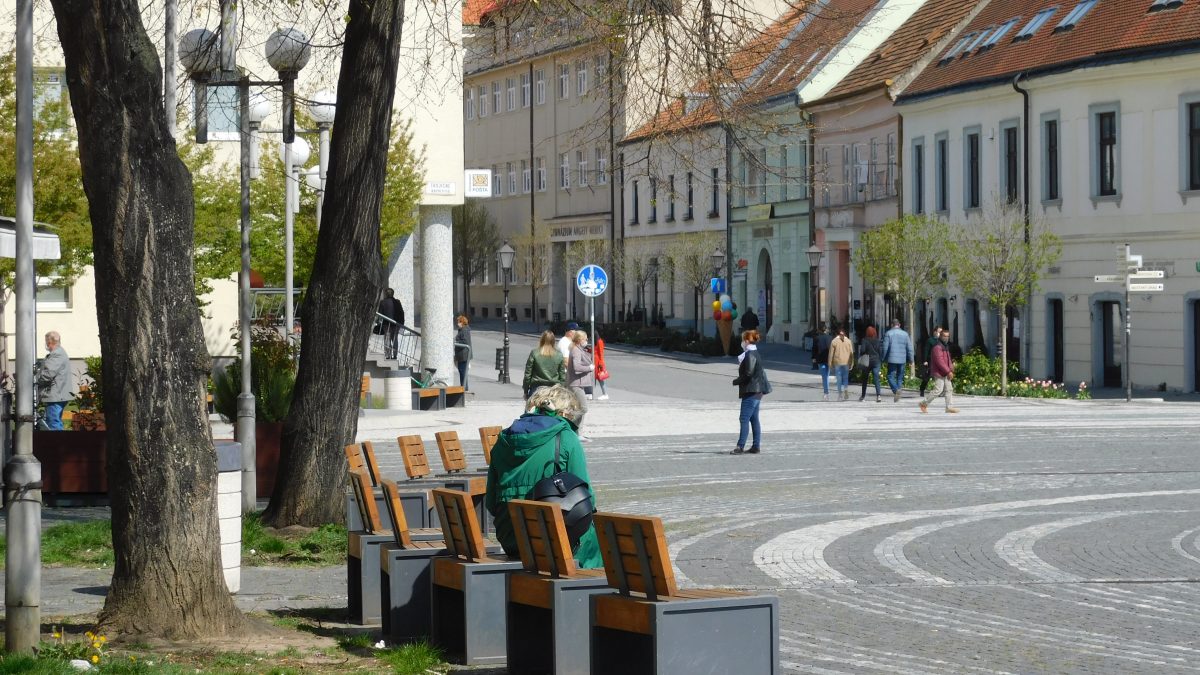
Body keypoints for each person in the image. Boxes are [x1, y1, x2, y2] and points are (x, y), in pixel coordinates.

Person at [485, 384, 602, 568]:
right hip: (552, 542)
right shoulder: (565, 438)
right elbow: (588, 501)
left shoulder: (503, 440)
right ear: (564, 412)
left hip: (511, 538)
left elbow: (491, 503)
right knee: (598, 542)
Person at [731, 329, 769, 455]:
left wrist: (737, 381)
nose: (742, 342)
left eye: (743, 340)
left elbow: (748, 373)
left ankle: (740, 446)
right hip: (757, 391)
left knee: (744, 418)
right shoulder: (755, 353)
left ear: (747, 341)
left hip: (751, 391)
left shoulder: (750, 355)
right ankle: (756, 446)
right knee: (753, 419)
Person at [38, 331, 73, 431]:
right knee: (54, 420)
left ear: (49, 342)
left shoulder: (57, 355)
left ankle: (58, 445)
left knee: (54, 423)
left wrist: (35, 378)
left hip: (56, 395)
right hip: (58, 394)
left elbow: (48, 374)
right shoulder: (59, 353)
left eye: (46, 342)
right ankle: (58, 444)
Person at [920, 329, 960, 414]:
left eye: (947, 336)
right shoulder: (937, 347)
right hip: (939, 372)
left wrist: (951, 368)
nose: (946, 338)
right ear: (940, 336)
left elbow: (948, 359)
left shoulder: (945, 346)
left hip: (945, 371)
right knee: (938, 390)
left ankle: (949, 407)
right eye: (944, 336)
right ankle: (923, 403)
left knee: (949, 389)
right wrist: (948, 371)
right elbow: (939, 361)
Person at [566, 330, 594, 441]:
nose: (586, 341)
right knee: (583, 408)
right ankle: (566, 421)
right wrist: (589, 368)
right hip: (576, 384)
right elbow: (576, 367)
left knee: (580, 408)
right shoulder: (575, 350)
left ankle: (578, 433)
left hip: (578, 384)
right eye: (585, 339)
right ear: (579, 340)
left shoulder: (577, 349)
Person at [522, 330, 566, 399]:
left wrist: (525, 390)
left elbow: (528, 374)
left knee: (531, 409)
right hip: (553, 389)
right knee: (553, 409)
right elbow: (562, 376)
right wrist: (562, 389)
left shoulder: (534, 353)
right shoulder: (559, 355)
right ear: (553, 341)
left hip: (536, 388)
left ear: (541, 340)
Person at [881, 318, 914, 402]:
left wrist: (883, 358)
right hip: (902, 359)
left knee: (890, 376)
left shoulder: (888, 333)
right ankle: (898, 390)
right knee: (900, 377)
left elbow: (885, 348)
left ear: (892, 325)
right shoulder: (905, 334)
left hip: (892, 359)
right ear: (899, 325)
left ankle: (896, 391)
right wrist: (911, 359)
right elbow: (910, 348)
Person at [377, 288, 405, 359]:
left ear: (387, 294)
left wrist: (378, 322)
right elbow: (402, 313)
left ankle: (388, 355)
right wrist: (401, 323)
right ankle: (395, 355)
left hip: (387, 324)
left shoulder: (383, 302)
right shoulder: (397, 302)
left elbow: (380, 314)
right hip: (396, 324)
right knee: (395, 339)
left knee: (387, 339)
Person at [858, 325, 883, 402]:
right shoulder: (878, 341)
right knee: (876, 378)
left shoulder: (864, 340)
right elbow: (880, 352)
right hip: (876, 361)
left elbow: (862, 350)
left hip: (867, 361)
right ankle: (878, 396)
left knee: (865, 379)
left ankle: (863, 396)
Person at [828, 326, 854, 401]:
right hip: (846, 362)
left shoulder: (834, 341)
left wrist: (830, 363)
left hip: (837, 362)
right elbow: (851, 353)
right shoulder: (848, 341)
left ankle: (840, 395)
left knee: (839, 379)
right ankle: (845, 388)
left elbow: (831, 354)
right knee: (845, 378)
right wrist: (852, 363)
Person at [919, 327, 942, 397]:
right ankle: (922, 389)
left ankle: (939, 391)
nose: (940, 334)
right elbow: (926, 350)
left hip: (939, 361)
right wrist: (925, 360)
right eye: (939, 332)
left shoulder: (941, 341)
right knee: (928, 376)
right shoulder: (930, 340)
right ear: (935, 332)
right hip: (931, 360)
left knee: (940, 376)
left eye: (941, 332)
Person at [813, 325, 832, 401]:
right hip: (828, 359)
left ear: (820, 330)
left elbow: (814, 349)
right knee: (827, 376)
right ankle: (826, 393)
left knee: (824, 377)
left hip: (820, 359)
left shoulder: (817, 338)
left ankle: (826, 394)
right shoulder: (830, 338)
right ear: (826, 330)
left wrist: (813, 358)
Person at [453, 315, 472, 390]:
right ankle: (463, 387)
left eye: (459, 322)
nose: (457, 323)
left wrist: (456, 341)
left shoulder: (464, 330)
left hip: (464, 355)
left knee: (463, 372)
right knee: (462, 372)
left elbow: (465, 342)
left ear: (462, 322)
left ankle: (464, 388)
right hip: (461, 355)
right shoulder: (462, 330)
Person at [593, 336, 609, 400]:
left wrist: (601, 364)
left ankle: (605, 394)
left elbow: (601, 353)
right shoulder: (597, 341)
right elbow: (595, 351)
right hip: (596, 362)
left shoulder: (599, 342)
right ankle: (603, 394)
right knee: (597, 378)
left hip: (598, 363)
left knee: (601, 378)